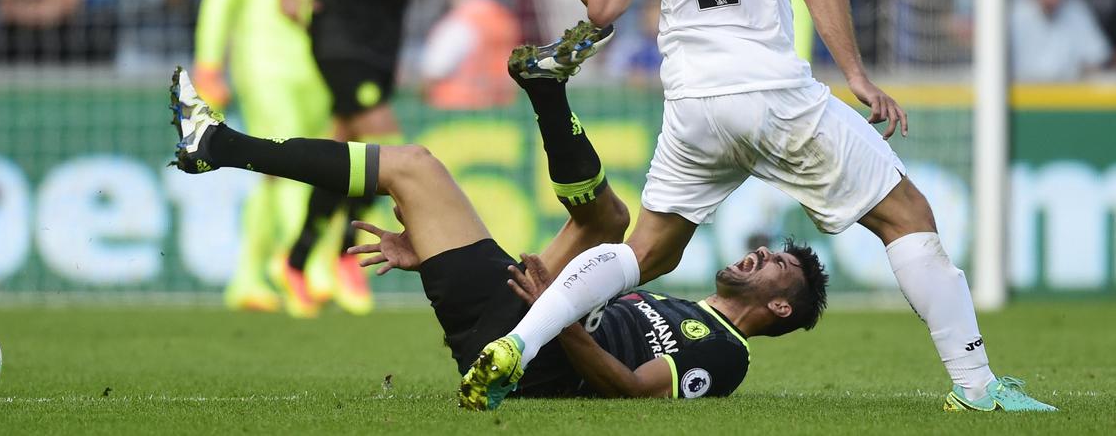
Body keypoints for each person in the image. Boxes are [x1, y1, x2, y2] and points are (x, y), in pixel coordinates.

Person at [460, 0, 1056, 413]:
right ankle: (977, 389)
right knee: (906, 215)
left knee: (645, 253)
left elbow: (602, 2)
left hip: (693, 103)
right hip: (772, 92)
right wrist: (856, 74)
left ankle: (519, 344)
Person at [167, 53, 828, 402]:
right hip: (512, 310)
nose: (759, 254)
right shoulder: (676, 300)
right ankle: (216, 144)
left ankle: (547, 92)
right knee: (412, 167)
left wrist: (559, 323)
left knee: (611, 221)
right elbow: (560, 282)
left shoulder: (725, 356)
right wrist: (431, 254)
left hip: (530, 354)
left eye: (777, 266)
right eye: (768, 251)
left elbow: (633, 393)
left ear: (778, 305)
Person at [261, 0, 445, 316]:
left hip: (385, 38)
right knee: (385, 144)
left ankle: (296, 261)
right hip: (335, 33)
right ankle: (344, 255)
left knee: (345, 148)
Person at [192, 0, 332, 315]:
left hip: (321, 68)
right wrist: (209, 61)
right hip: (266, 60)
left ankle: (248, 276)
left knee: (276, 173)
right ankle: (303, 268)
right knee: (296, 160)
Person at [422, 0, 521, 110]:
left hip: (455, 111)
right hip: (500, 110)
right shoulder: (503, 17)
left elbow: (435, 71)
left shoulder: (460, 21)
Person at [1009, 0, 1111, 82]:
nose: (1050, 0)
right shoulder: (1014, 13)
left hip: (1066, 95)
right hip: (1022, 94)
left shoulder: (1076, 11)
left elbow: (1097, 58)